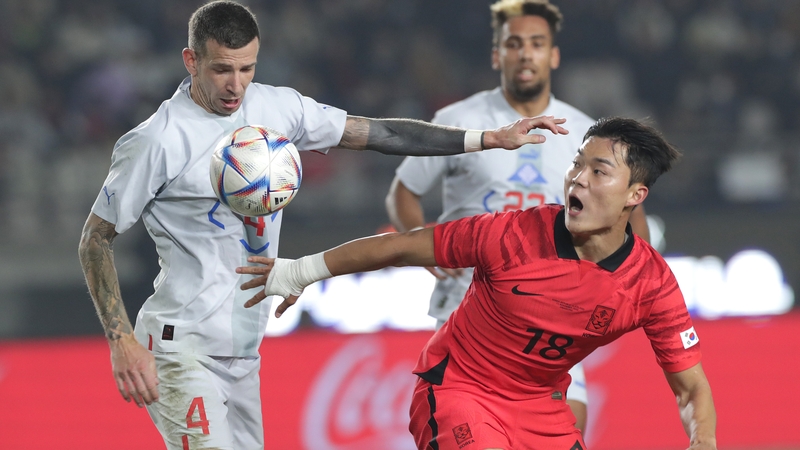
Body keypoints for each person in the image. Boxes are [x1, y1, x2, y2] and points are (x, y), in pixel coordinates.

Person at [76, 2, 568, 449]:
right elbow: (95, 240)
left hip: (244, 348)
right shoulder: (157, 141)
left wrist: (489, 138)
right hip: (180, 346)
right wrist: (121, 341)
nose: (235, 84)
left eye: (247, 68)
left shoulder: (279, 107)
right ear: (191, 61)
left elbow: (381, 133)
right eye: (221, 69)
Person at [239, 117, 717, 450]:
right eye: (576, 165)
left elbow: (690, 387)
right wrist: (297, 270)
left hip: (540, 409)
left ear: (636, 195)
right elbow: (399, 246)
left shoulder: (651, 285)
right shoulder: (510, 234)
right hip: (458, 390)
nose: (577, 180)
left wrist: (703, 441)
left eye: (599, 172)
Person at [385, 0, 651, 433]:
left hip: (556, 321)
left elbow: (634, 219)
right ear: (496, 54)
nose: (525, 53)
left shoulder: (587, 133)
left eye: (536, 43)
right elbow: (403, 192)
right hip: (467, 314)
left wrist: (617, 284)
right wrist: (422, 240)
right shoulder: (458, 121)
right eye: (513, 44)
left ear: (554, 55)